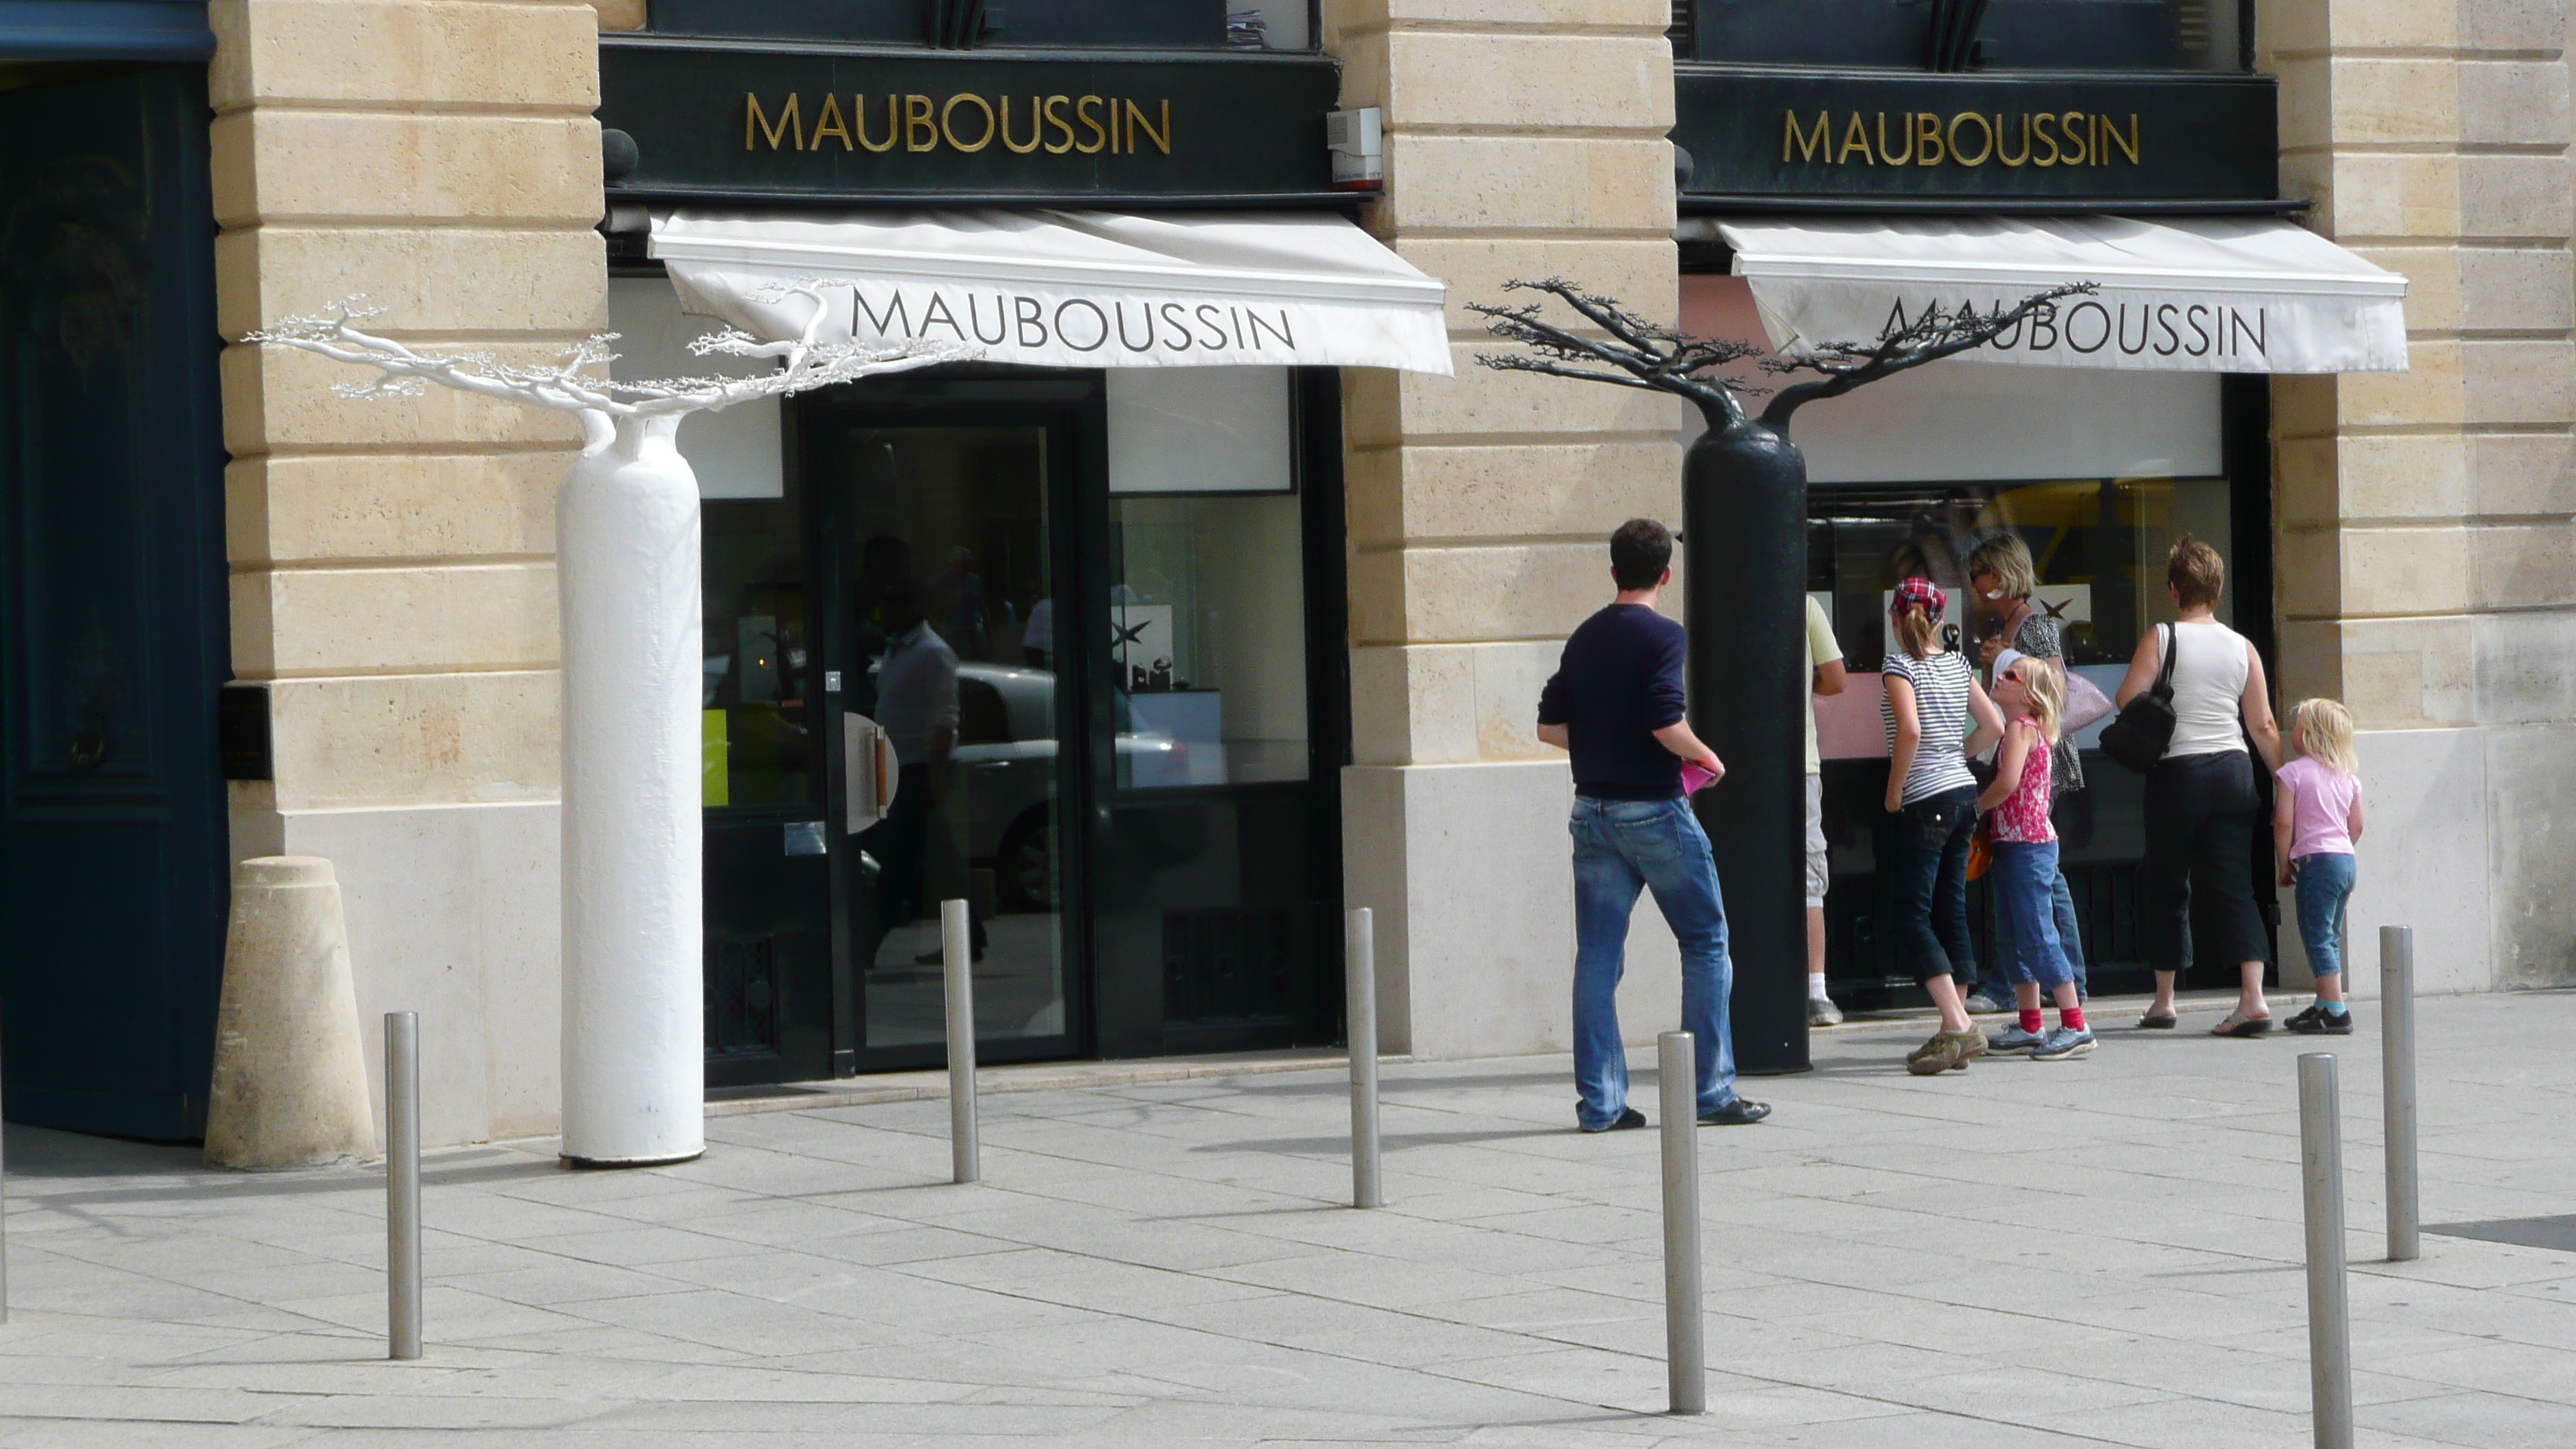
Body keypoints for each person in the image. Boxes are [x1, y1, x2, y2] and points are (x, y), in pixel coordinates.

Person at [1536, 519, 1770, 1132]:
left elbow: (1549, 725)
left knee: (1597, 959)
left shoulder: (1585, 636)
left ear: (1614, 571)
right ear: (1667, 574)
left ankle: (1602, 1105)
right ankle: (1711, 1092)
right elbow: (1666, 718)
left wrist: (1604, 742)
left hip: (1592, 812)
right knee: (1706, 943)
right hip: (1655, 812)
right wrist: (1704, 755)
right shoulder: (1665, 635)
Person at [2115, 536, 2283, 1034]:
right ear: (2219, 587)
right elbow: (2264, 726)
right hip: (2234, 771)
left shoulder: (2161, 638)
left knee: (2167, 882)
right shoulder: (2242, 647)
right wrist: (2284, 783)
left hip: (2178, 774)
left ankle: (2165, 1000)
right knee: (2235, 884)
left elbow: (2128, 698)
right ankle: (2252, 996)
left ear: (2173, 589)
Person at [1882, 577, 2006, 1075]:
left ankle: (1957, 1024)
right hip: (1961, 794)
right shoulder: (1956, 663)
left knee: (1910, 914)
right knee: (1950, 907)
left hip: (1924, 797)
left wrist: (1895, 790)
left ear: (1895, 617)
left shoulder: (1898, 665)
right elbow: (1994, 726)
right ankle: (1952, 1031)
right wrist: (1958, 755)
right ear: (1938, 620)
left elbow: (1908, 730)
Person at [1965, 533, 2089, 1006]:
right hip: (2027, 757)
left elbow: (2052, 684)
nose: (1975, 583)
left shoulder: (2033, 624)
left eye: (1980, 573)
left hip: (2040, 762)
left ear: (2000, 574)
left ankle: (2038, 983)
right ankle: (2050, 984)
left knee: (2036, 874)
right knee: (2040, 875)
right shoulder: (2013, 624)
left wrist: (2005, 659)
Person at [1975, 656, 2094, 1061]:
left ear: (2029, 694)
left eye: (2010, 676)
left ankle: (2076, 1023)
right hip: (2014, 844)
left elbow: (2007, 783)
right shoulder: (2026, 729)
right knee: (2012, 934)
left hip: (2028, 846)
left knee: (2037, 934)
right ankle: (2030, 1022)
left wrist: (1976, 808)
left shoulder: (2020, 728)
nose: (2000, 678)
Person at [2276, 698, 2364, 1035]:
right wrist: (2340, 849)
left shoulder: (2293, 773)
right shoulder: (2348, 778)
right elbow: (2356, 825)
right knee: (2331, 934)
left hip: (2316, 860)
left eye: (2297, 726)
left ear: (2309, 735)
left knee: (2317, 937)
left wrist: (2284, 863)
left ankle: (2336, 1010)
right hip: (2345, 860)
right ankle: (2324, 1003)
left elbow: (2283, 822)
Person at [1806, 595, 1848, 1026]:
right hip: (1800, 763)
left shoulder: (1724, 594)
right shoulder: (1804, 606)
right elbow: (1837, 679)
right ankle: (1816, 991)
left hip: (1734, 765)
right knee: (1808, 880)